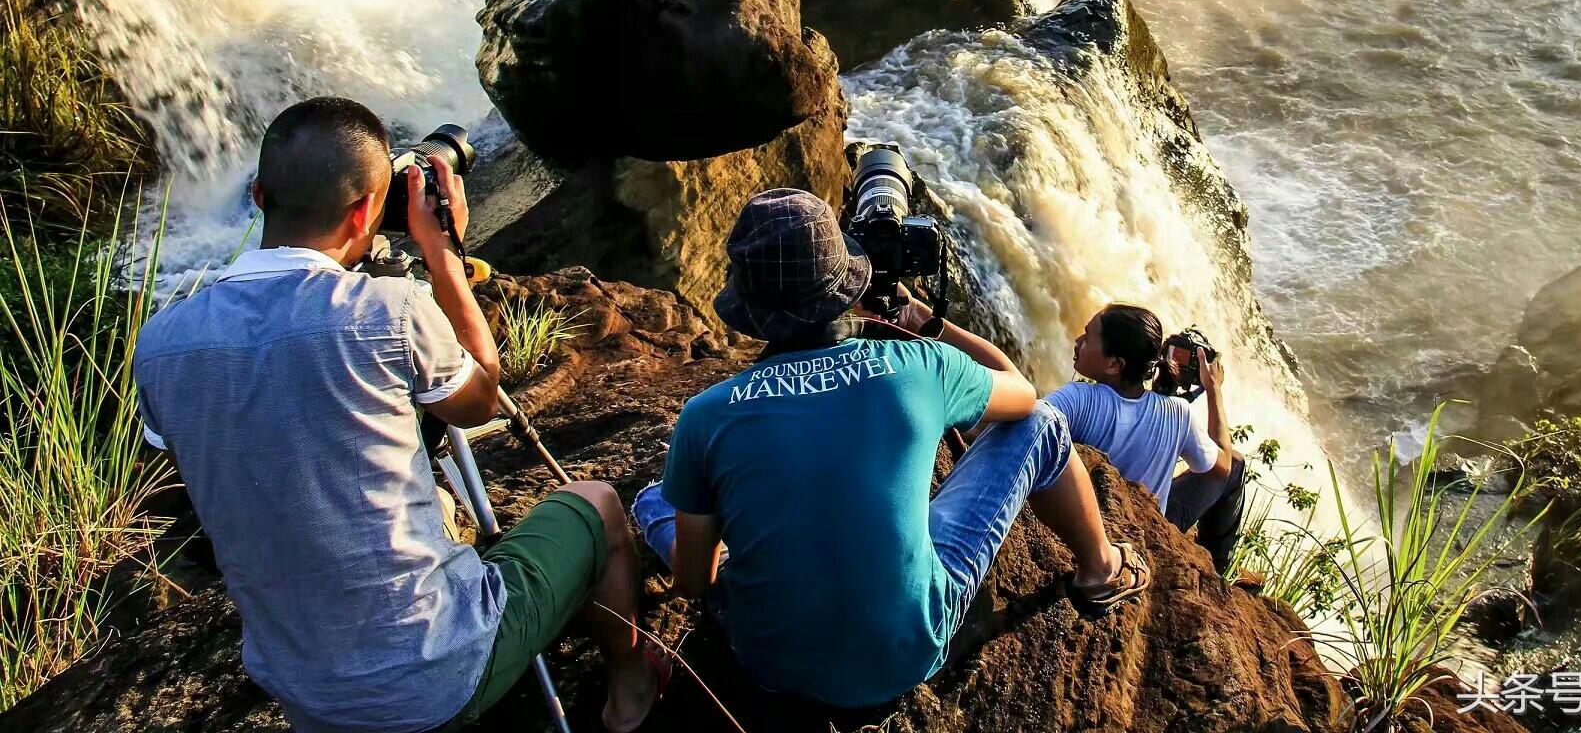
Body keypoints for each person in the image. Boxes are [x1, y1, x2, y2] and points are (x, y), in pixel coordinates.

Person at [134, 97, 662, 733]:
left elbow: (196, 467)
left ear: (257, 194)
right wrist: (442, 254)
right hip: (436, 673)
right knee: (599, 503)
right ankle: (630, 693)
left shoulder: (163, 340)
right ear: (366, 211)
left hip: (301, 691)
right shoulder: (386, 310)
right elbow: (479, 399)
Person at [631, 189, 1151, 711]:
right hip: (909, 650)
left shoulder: (706, 413)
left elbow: (695, 584)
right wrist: (929, 326)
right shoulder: (919, 366)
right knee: (1042, 425)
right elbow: (1022, 396)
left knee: (653, 499)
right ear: (847, 287)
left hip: (768, 665)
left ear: (748, 307)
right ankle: (1101, 570)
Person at [1045, 304, 1248, 568]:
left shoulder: (1078, 400)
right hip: (1147, 534)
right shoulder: (1179, 412)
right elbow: (1222, 468)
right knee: (1237, 463)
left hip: (1086, 528)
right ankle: (1216, 568)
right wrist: (1213, 390)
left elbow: (1032, 424)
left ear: (1114, 364)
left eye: (1087, 337)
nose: (1078, 341)